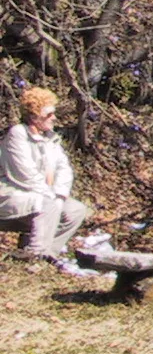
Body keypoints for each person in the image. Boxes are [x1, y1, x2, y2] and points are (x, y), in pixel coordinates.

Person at [0, 87, 93, 266]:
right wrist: (50, 197)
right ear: (34, 116)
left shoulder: (51, 139)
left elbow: (64, 169)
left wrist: (59, 195)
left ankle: (47, 255)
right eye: (49, 114)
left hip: (40, 195)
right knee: (47, 203)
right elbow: (23, 174)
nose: (54, 118)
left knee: (75, 210)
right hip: (9, 193)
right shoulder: (17, 134)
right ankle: (33, 256)